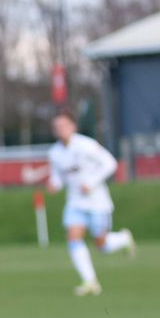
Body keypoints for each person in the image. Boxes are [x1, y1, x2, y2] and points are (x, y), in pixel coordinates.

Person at [47, 112, 135, 296]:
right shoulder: (54, 153)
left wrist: (92, 183)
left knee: (101, 245)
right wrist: (54, 184)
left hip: (98, 202)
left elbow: (110, 163)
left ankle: (124, 239)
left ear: (73, 127)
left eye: (64, 125)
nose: (60, 129)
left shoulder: (86, 145)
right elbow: (59, 177)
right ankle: (90, 281)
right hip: (75, 202)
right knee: (73, 238)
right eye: (57, 127)